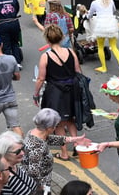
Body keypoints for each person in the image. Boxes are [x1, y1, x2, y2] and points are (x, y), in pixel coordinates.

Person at [33, 25, 85, 161]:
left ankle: (64, 153)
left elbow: (41, 78)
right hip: (71, 90)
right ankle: (77, 146)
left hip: (55, 92)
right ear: (61, 37)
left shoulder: (46, 56)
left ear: (47, 39)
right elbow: (78, 70)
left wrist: (36, 94)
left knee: (60, 123)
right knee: (71, 120)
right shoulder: (70, 52)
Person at [23, 108, 90, 188]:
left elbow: (50, 139)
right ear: (49, 128)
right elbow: (34, 173)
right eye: (55, 126)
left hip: (44, 180)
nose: (56, 128)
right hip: (40, 185)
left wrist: (75, 139)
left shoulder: (35, 132)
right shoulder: (36, 147)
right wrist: (44, 194)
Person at [88, 0, 119, 74]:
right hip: (111, 24)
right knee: (114, 46)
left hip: (101, 25)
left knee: (100, 47)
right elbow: (114, 10)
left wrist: (88, 16)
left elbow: (90, 14)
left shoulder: (94, 3)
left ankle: (104, 67)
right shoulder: (110, 0)